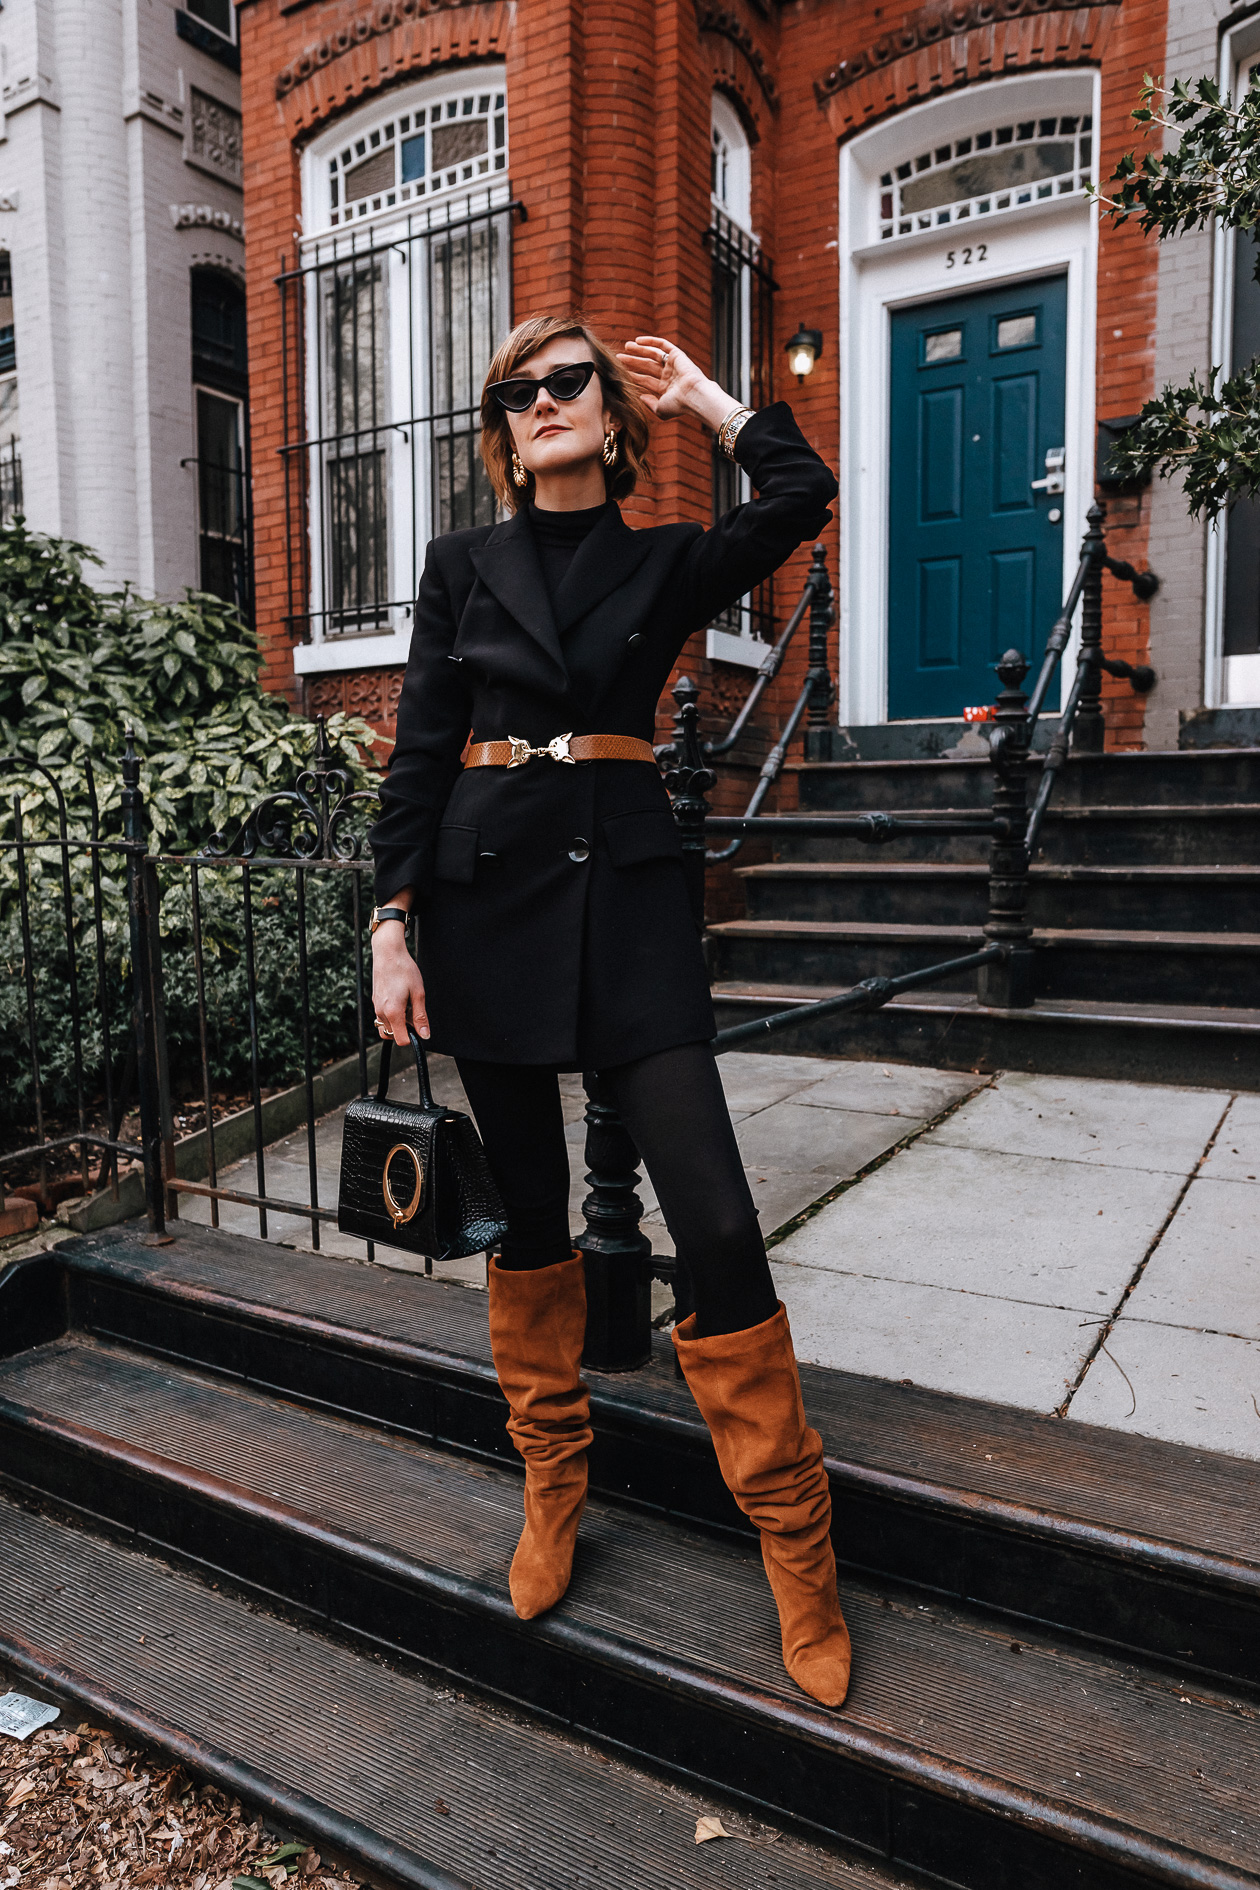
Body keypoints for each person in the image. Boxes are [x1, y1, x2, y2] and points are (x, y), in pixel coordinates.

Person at [369, 315, 850, 1709]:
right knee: (529, 1221)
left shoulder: (664, 557)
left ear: (612, 413)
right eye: (516, 392)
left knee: (713, 1213)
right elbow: (415, 752)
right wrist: (392, 923)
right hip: (486, 898)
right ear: (502, 431)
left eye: (567, 380)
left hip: (631, 903)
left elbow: (804, 498)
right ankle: (552, 1490)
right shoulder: (461, 567)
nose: (543, 403)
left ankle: (797, 1543)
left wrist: (708, 397)